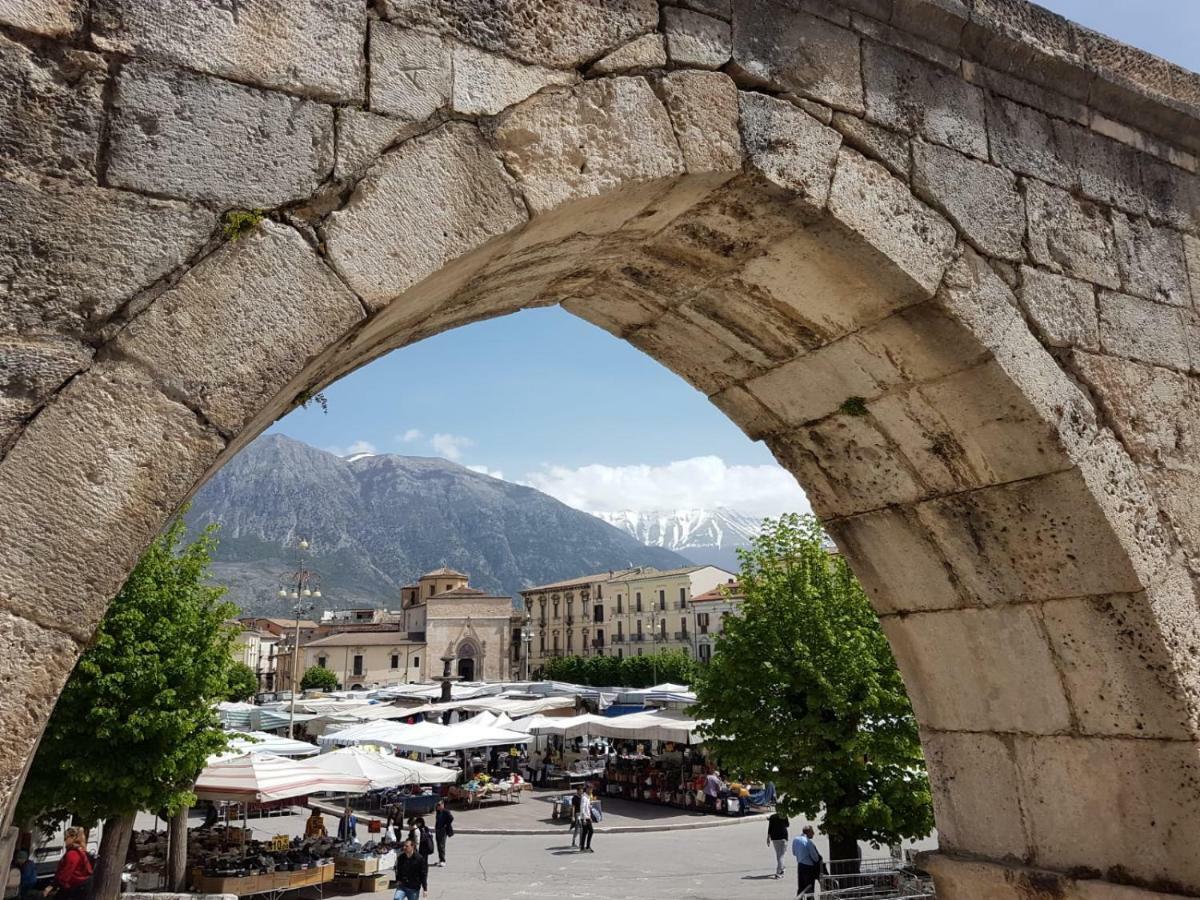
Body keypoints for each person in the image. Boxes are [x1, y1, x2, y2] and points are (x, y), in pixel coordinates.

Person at [47, 827, 91, 900]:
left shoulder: (73, 853)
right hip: (79, 887)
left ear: (72, 837)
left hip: (73, 888)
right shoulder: (80, 850)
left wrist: (53, 886)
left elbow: (66, 872)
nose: (64, 840)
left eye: (66, 838)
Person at [792, 825, 823, 898]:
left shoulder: (796, 839)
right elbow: (815, 858)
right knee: (809, 888)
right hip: (809, 868)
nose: (813, 833)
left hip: (800, 866)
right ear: (808, 832)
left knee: (801, 887)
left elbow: (794, 853)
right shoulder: (808, 842)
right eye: (812, 831)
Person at [767, 811, 789, 879]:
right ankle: (779, 872)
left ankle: (781, 867)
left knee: (779, 855)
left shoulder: (772, 816)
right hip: (783, 837)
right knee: (781, 855)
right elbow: (787, 825)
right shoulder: (784, 815)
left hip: (774, 838)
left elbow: (770, 828)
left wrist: (768, 838)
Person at [434, 800, 454, 868]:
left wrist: (446, 824)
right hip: (438, 830)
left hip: (443, 830)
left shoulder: (446, 811)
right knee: (438, 845)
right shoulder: (438, 812)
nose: (438, 807)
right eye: (437, 805)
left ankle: (443, 860)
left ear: (443, 805)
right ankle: (440, 859)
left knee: (441, 845)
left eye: (439, 805)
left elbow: (451, 818)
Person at [577, 787, 595, 853]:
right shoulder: (584, 798)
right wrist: (584, 819)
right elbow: (582, 809)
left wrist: (590, 806)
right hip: (585, 818)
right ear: (587, 790)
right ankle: (587, 847)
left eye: (592, 790)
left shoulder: (587, 797)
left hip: (587, 817)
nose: (591, 791)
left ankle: (582, 847)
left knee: (585, 832)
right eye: (591, 790)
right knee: (591, 831)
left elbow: (586, 808)